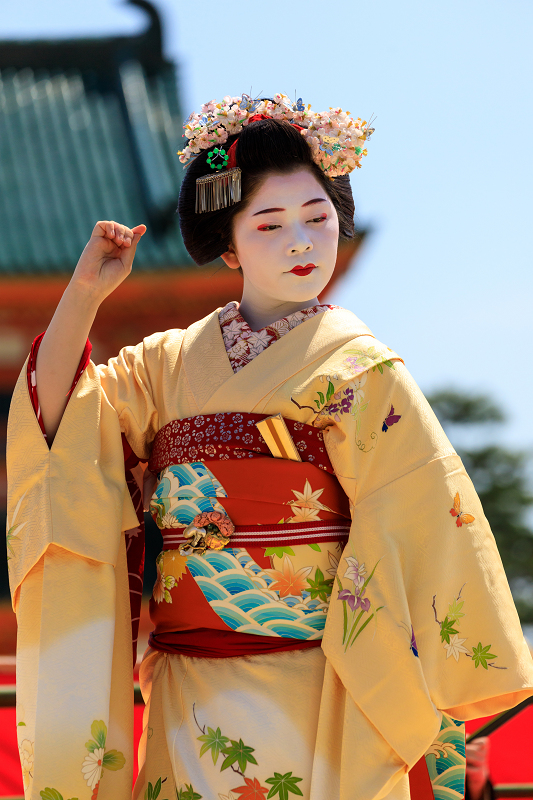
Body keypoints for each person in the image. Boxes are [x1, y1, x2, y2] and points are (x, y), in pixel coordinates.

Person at [6, 94, 533, 800]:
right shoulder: (166, 364)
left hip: (318, 674)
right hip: (186, 678)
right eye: (270, 223)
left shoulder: (360, 368)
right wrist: (85, 294)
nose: (300, 243)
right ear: (229, 244)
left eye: (318, 220)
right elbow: (60, 422)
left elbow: (423, 511)